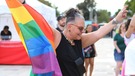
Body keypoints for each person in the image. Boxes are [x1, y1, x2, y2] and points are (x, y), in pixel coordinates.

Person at [18, 0, 128, 76]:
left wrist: (117, 20)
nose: (83, 31)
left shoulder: (81, 40)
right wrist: (23, 4)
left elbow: (99, 33)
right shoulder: (57, 37)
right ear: (70, 27)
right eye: (80, 28)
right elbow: (40, 22)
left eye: (84, 28)